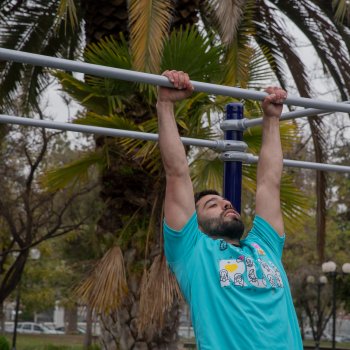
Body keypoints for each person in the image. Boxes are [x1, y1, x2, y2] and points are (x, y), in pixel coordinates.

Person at [156, 70, 303, 350]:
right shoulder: (192, 251)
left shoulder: (265, 245)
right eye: (212, 205)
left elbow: (269, 183)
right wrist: (165, 105)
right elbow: (177, 173)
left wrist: (271, 119)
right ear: (195, 225)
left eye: (227, 203)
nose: (226, 204)